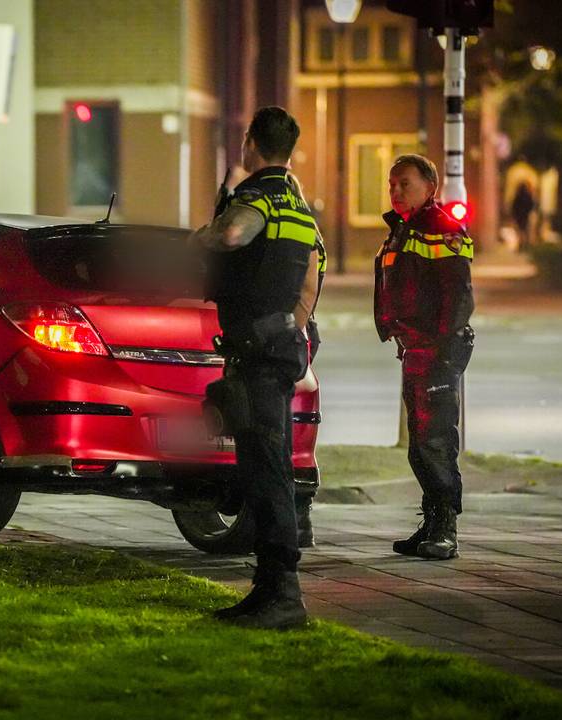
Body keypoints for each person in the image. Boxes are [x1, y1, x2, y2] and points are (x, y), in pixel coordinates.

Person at [191, 106, 321, 629]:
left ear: (251, 145)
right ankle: (268, 589)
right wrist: (292, 325)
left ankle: (282, 596)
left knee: (266, 472)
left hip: (255, 352)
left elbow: (230, 237)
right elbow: (311, 276)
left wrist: (200, 236)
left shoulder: (258, 198)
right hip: (279, 345)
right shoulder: (300, 206)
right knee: (272, 468)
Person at [375, 154, 474, 561]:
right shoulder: (403, 228)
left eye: (405, 184)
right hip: (416, 349)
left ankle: (445, 528)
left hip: (435, 350)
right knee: (420, 443)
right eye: (392, 183)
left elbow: (458, 295)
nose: (396, 190)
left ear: (430, 186)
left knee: (435, 440)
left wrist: (439, 348)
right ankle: (432, 521)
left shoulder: (441, 229)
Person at [509, 181, 536, 250]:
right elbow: (532, 205)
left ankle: (521, 244)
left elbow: (514, 207)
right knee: (525, 230)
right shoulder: (528, 195)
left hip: (519, 216)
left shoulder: (517, 196)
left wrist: (514, 215)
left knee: (520, 231)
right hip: (525, 215)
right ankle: (526, 245)